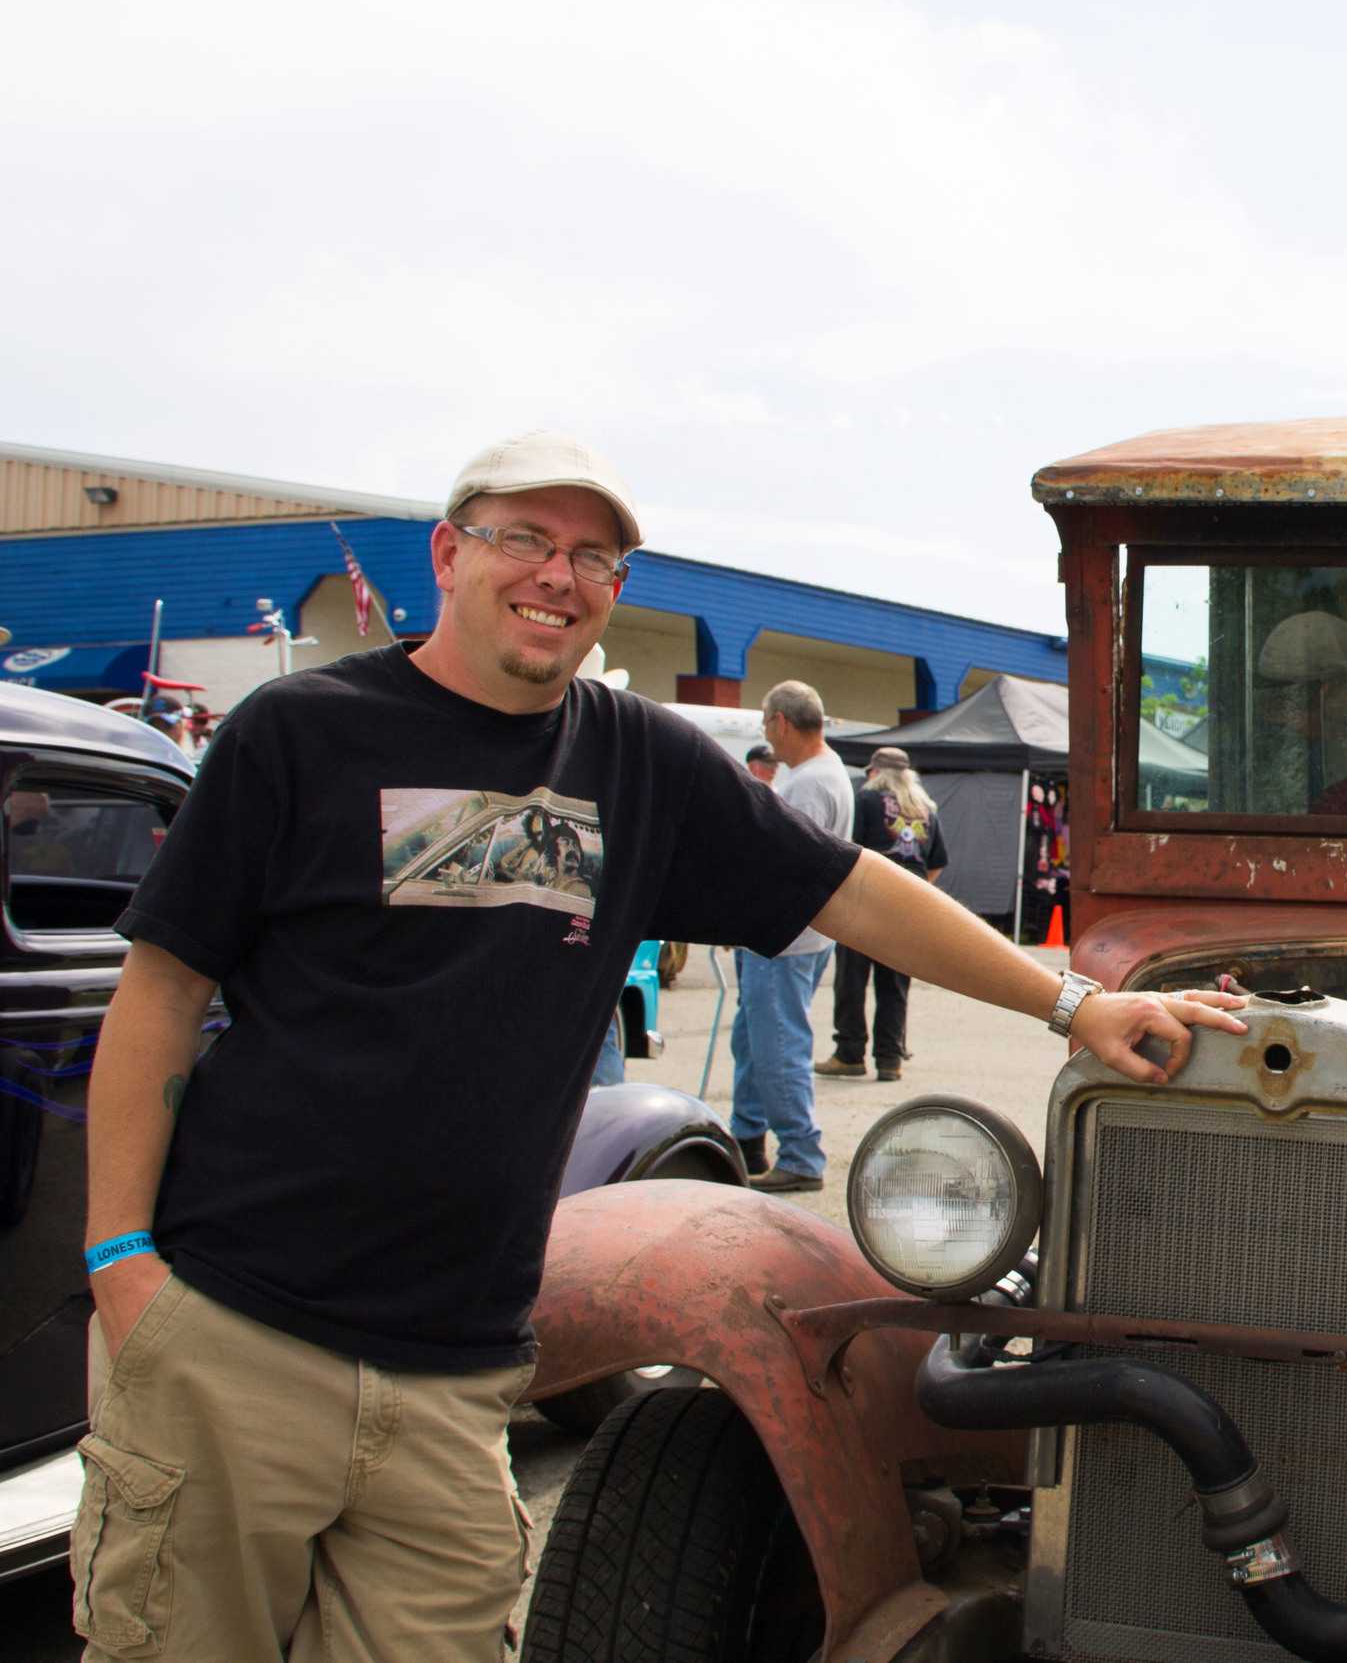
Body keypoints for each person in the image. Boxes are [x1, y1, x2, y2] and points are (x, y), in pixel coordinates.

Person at [75, 430, 1244, 1662]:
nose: (557, 575)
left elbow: (850, 891)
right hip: (238, 1333)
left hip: (457, 1372)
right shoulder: (299, 729)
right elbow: (158, 991)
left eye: (595, 555)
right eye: (524, 538)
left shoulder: (638, 762)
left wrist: (1070, 1003)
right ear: (449, 552)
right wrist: (119, 1259)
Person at [728, 679, 853, 1192]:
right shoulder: (828, 771)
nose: (766, 736)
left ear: (781, 721)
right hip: (801, 935)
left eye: (765, 724)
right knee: (755, 1039)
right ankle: (748, 1136)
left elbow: (783, 862)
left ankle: (800, 1153)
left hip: (783, 937)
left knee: (777, 1044)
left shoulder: (806, 782)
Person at [816, 746, 947, 1082]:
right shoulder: (926, 809)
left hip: (866, 900)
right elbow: (936, 862)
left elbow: (849, 849)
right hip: (911, 905)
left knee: (852, 979)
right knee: (894, 984)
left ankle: (850, 1053)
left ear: (874, 772)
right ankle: (890, 1060)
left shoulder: (865, 799)